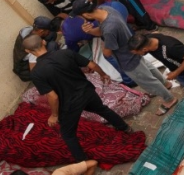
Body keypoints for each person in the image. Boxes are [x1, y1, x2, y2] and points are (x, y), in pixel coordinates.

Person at [22, 34, 129, 162]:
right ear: (44, 42)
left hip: (69, 104)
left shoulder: (36, 73)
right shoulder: (65, 53)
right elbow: (92, 65)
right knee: (102, 109)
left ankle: (83, 163)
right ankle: (124, 128)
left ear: (28, 51)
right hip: (87, 92)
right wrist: (103, 74)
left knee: (68, 135)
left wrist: (54, 115)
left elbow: (53, 96)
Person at [71, 0, 176, 110]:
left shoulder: (109, 28)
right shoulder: (106, 9)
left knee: (147, 81)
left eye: (80, 16)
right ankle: (165, 84)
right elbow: (102, 31)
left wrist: (103, 47)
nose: (81, 19)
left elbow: (107, 52)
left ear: (86, 14)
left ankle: (169, 99)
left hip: (127, 59)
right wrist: (90, 31)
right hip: (132, 49)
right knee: (148, 68)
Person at [128, 32, 184, 122]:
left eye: (137, 53)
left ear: (144, 49)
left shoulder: (171, 47)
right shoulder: (148, 38)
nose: (137, 55)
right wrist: (176, 72)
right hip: (179, 73)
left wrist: (175, 73)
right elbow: (156, 32)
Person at [12, 17, 58, 81]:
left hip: (30, 55)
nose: (49, 32)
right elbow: (33, 69)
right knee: (52, 45)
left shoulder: (31, 30)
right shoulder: (31, 46)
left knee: (52, 34)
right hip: (25, 70)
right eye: (48, 30)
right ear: (41, 31)